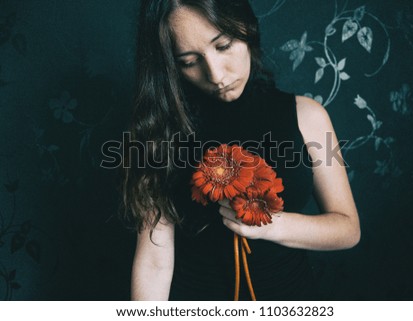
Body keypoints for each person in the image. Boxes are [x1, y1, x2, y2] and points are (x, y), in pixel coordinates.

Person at [124, 0, 360, 301]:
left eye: (223, 46)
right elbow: (155, 263)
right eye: (188, 61)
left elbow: (348, 229)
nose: (216, 75)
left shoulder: (309, 116)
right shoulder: (160, 132)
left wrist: (271, 225)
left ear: (246, 28)